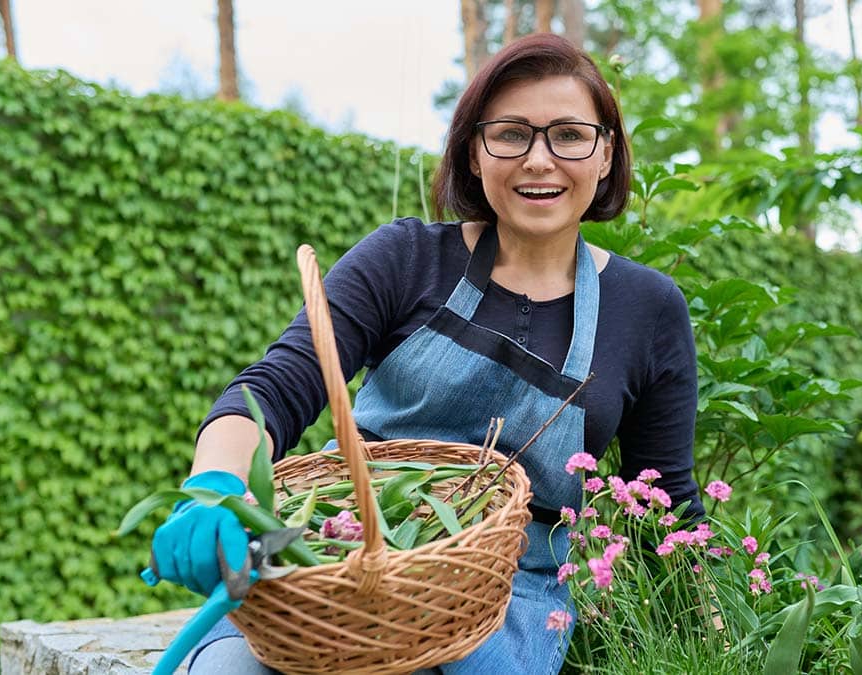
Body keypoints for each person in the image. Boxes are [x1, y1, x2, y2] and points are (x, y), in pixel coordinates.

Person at [154, 32, 704, 674]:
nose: (539, 159)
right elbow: (274, 389)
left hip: (507, 594)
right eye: (510, 133)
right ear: (474, 152)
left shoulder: (648, 308)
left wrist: (719, 633)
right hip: (341, 548)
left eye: (570, 135)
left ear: (606, 154)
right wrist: (215, 487)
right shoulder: (405, 258)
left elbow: (666, 501)